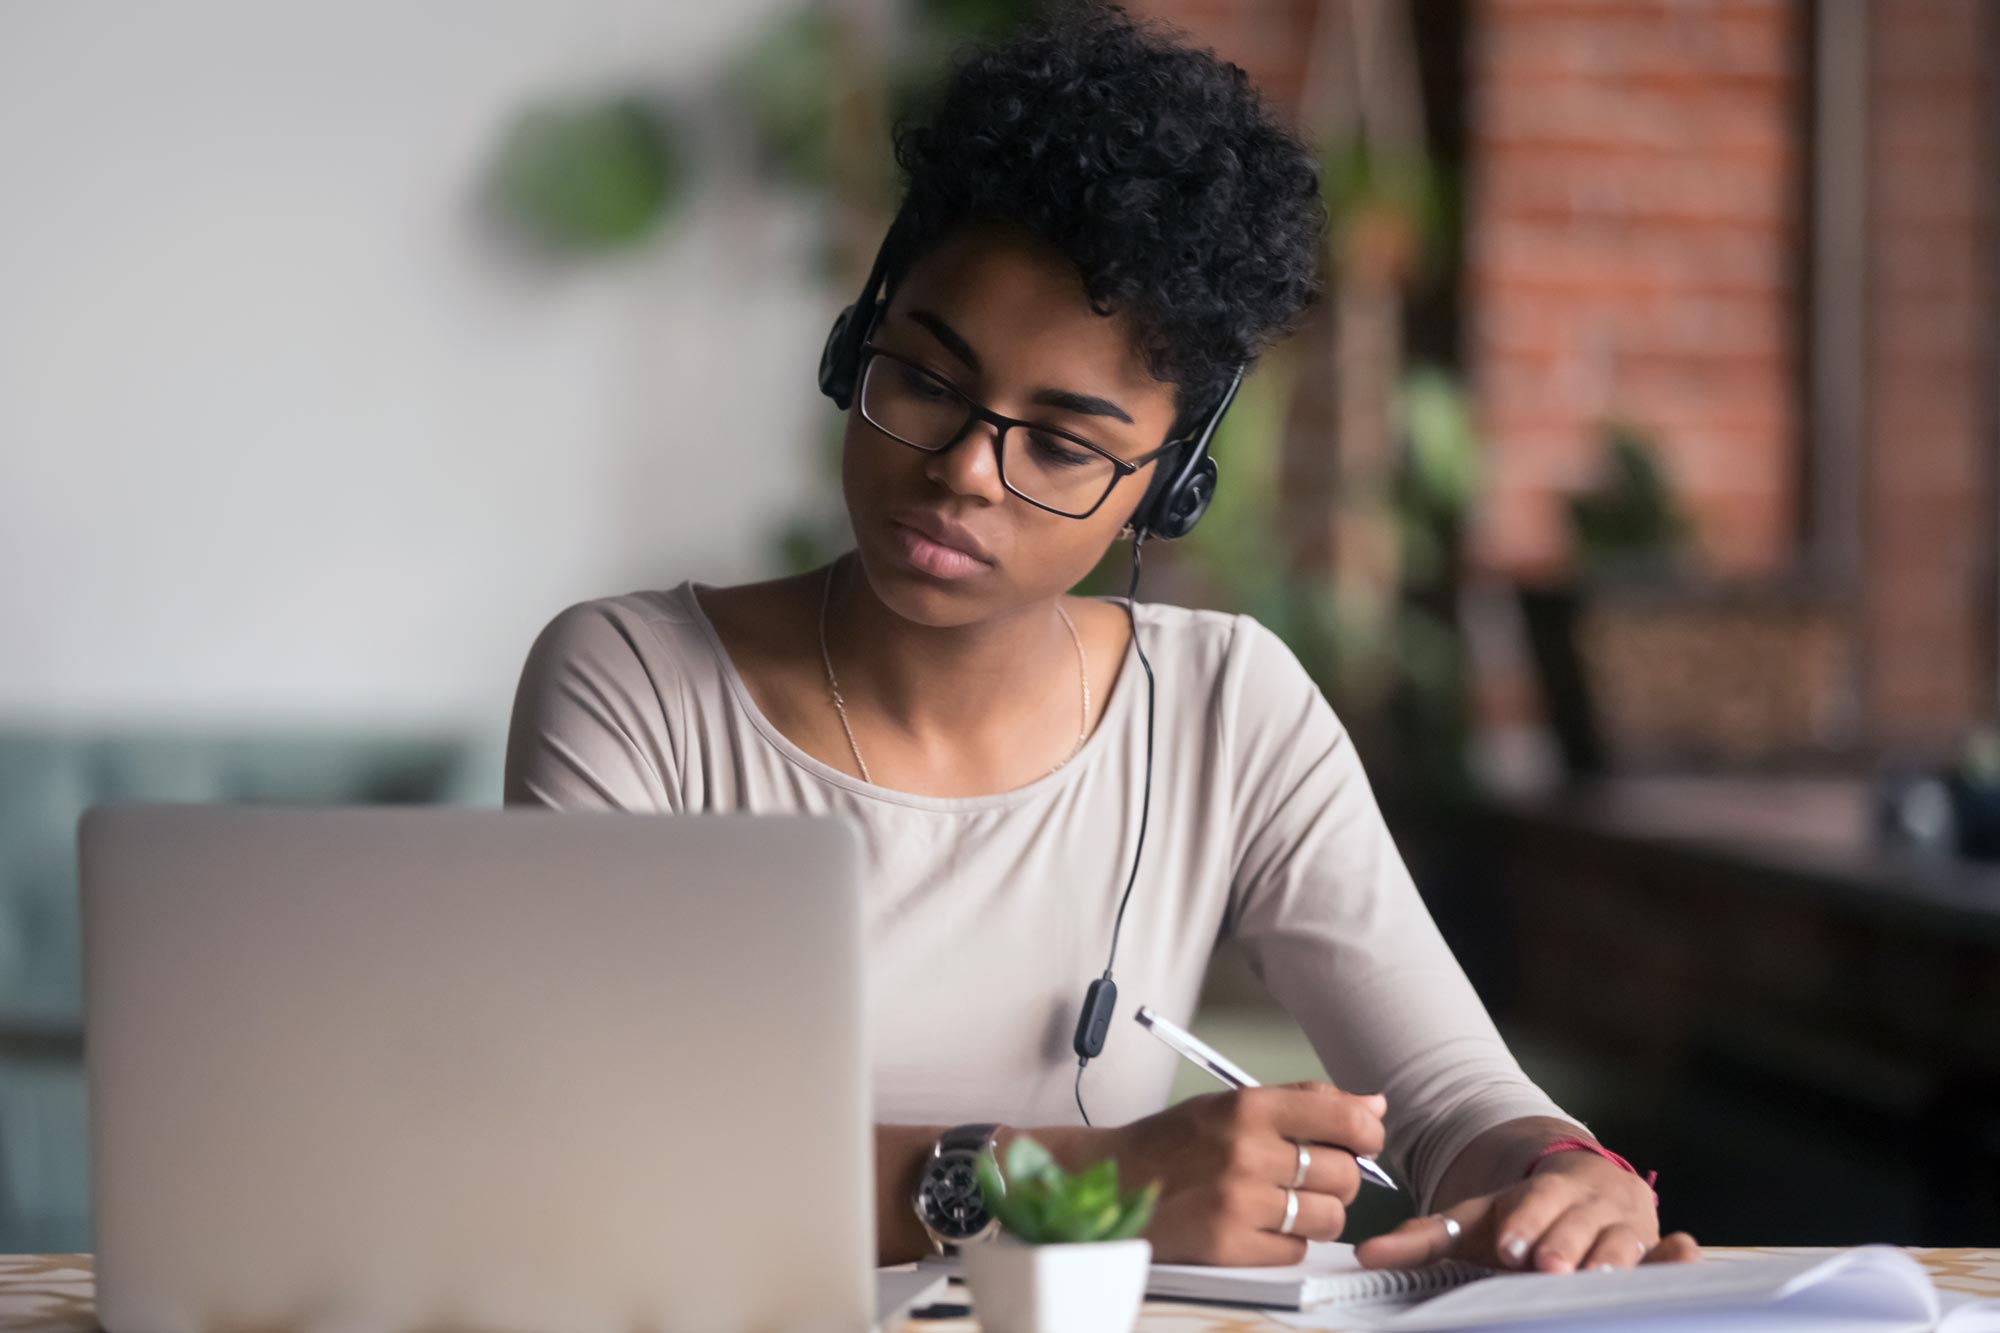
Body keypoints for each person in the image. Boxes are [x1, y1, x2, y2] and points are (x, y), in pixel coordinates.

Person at [505, 1, 1697, 1275]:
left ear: (1164, 485)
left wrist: (1564, 1178)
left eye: (1062, 444)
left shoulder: (1227, 707)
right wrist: (1079, 1179)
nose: (963, 469)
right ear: (856, 342)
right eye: (923, 379)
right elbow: (593, 1151)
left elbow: (1452, 1094)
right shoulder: (635, 686)